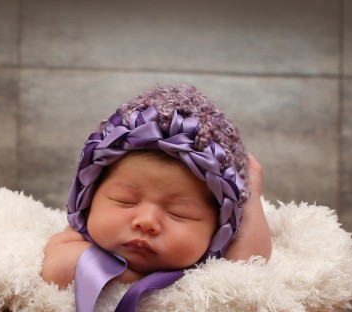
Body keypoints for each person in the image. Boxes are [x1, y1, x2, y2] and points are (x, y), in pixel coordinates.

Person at [41, 85, 272, 288]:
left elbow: (248, 266)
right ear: (89, 198)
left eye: (178, 213)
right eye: (125, 201)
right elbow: (59, 270)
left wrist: (249, 197)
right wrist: (139, 280)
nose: (147, 222)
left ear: (219, 229)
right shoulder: (79, 237)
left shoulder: (213, 262)